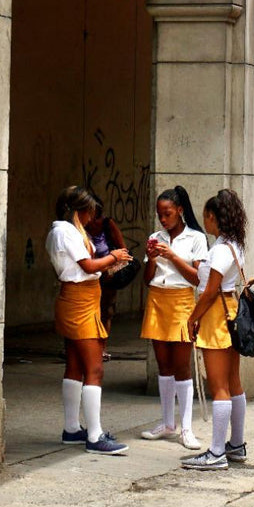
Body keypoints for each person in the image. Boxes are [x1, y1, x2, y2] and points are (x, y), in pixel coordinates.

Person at [45, 185, 132, 455]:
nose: (92, 218)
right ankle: (94, 436)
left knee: (75, 365)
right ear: (80, 210)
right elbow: (88, 266)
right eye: (90, 212)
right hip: (80, 301)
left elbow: (88, 266)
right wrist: (113, 257)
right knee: (95, 369)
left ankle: (72, 429)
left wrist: (109, 263)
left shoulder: (64, 231)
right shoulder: (65, 232)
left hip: (78, 299)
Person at [182, 189, 249, 471]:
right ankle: (237, 444)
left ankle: (217, 451)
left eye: (206, 217)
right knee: (233, 382)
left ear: (213, 217)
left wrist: (192, 318)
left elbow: (209, 292)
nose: (204, 222)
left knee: (218, 385)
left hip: (216, 316)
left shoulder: (220, 250)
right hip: (229, 311)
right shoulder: (235, 246)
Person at [139, 186, 209, 451]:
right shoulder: (156, 237)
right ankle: (168, 423)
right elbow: (147, 279)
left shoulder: (196, 238)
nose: (163, 219)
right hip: (158, 299)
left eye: (167, 213)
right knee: (163, 365)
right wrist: (153, 258)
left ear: (180, 211)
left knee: (182, 366)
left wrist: (172, 256)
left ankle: (187, 428)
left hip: (181, 300)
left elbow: (197, 278)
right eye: (159, 214)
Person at [83, 194, 126, 362]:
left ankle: (101, 348)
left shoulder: (107, 225)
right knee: (86, 313)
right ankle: (86, 348)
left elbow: (124, 252)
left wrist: (111, 271)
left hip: (107, 277)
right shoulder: (79, 228)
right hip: (85, 278)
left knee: (106, 312)